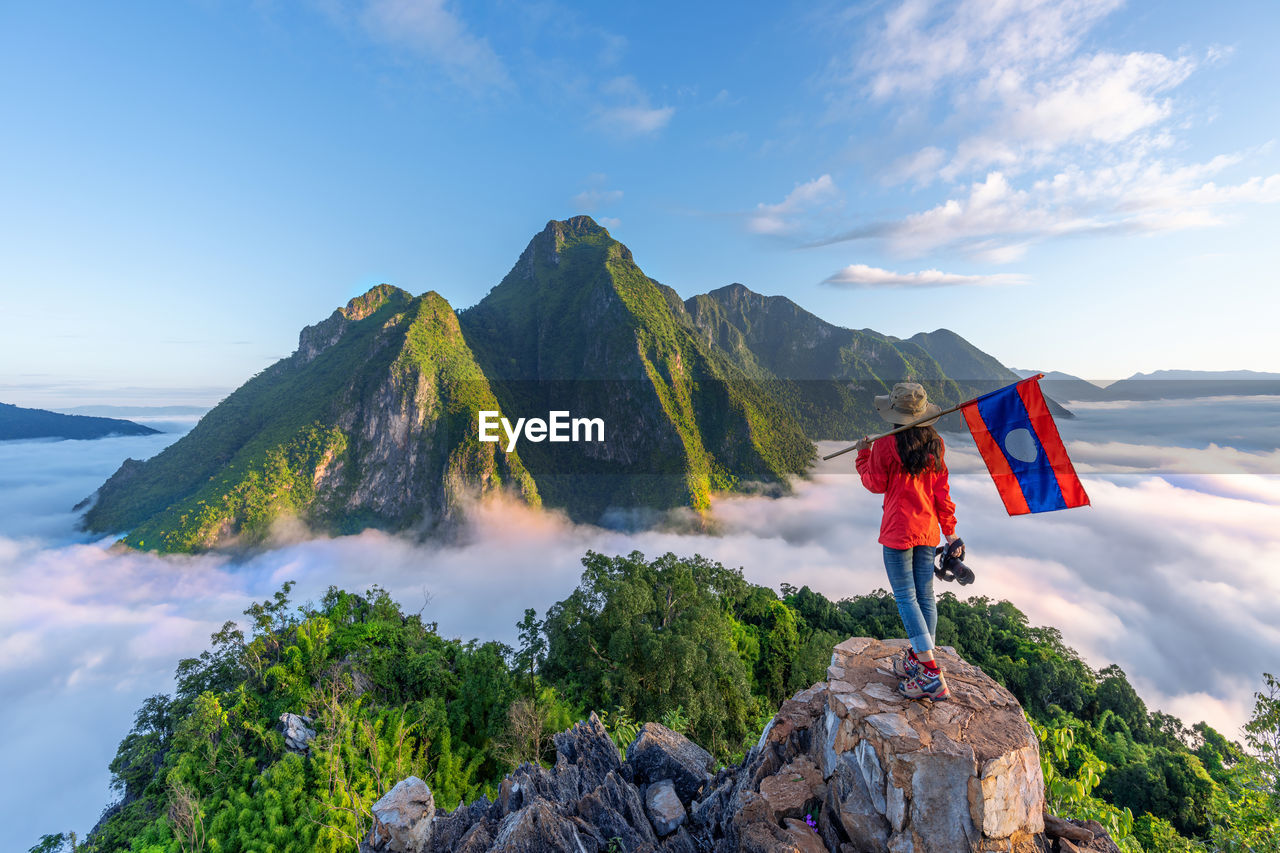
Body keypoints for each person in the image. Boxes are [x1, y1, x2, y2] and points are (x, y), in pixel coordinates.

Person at [853, 382, 960, 701]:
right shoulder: (936, 444)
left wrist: (863, 455)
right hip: (928, 531)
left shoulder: (886, 446)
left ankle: (930, 673)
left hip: (899, 531)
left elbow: (875, 483)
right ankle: (918, 657)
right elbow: (942, 493)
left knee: (905, 597)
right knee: (925, 597)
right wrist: (950, 531)